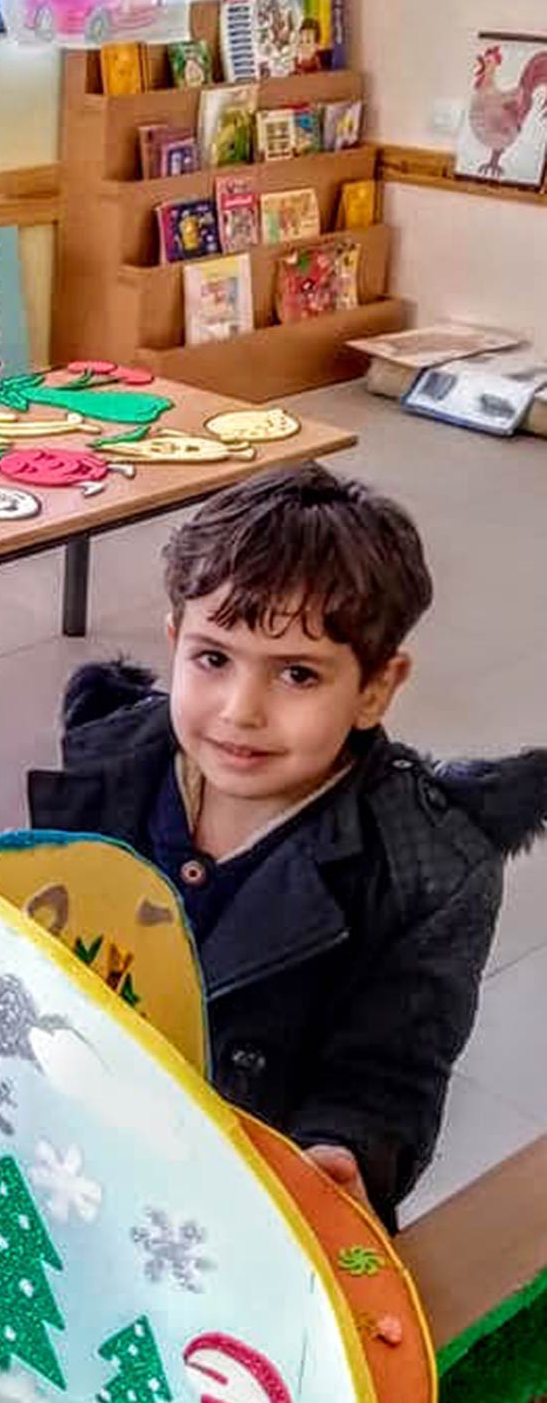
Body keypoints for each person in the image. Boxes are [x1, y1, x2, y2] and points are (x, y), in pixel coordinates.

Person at [28, 464, 547, 1229]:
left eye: (297, 674)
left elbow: (389, 1073)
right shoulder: (112, 760)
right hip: (72, 1146)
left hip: (240, 1202)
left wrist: (344, 1150)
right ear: (173, 642)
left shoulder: (429, 869)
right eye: (212, 659)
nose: (241, 712)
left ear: (376, 687)